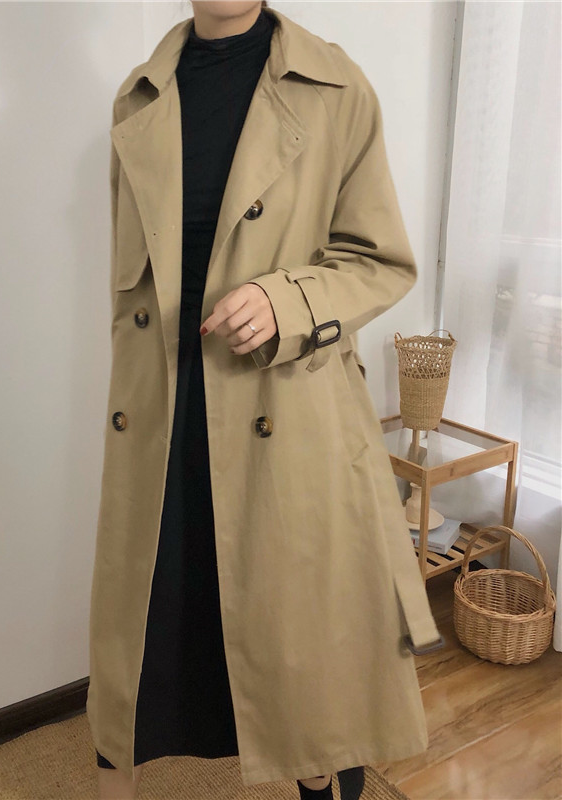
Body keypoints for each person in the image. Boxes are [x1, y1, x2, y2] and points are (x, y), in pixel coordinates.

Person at [87, 2, 444, 799]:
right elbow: (130, 290)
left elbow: (381, 262)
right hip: (164, 417)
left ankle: (318, 775)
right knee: (140, 654)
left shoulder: (337, 87)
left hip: (283, 408)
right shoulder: (140, 96)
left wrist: (289, 301)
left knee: (299, 658)